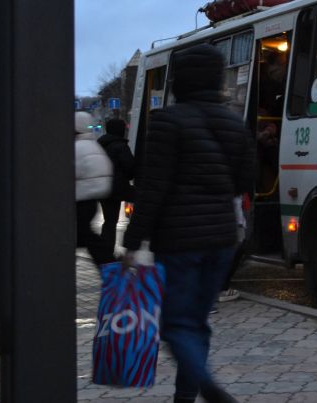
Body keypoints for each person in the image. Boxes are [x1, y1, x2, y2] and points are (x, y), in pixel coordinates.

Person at [121, 44, 255, 403]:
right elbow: (245, 180)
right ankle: (185, 395)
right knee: (197, 323)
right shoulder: (234, 122)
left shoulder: (167, 121)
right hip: (223, 239)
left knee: (176, 324)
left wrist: (133, 242)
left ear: (180, 80)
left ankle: (207, 388)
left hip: (178, 241)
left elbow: (154, 187)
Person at [75, 111, 114, 269]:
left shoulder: (77, 148)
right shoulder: (94, 145)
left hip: (80, 199)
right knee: (84, 235)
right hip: (92, 200)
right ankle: (110, 262)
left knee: (83, 236)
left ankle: (110, 263)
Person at [96, 117, 135, 262]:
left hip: (102, 187)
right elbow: (130, 168)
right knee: (144, 200)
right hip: (118, 188)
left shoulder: (100, 145)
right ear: (121, 130)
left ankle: (106, 252)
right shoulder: (120, 146)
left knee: (109, 221)